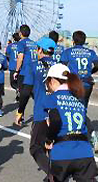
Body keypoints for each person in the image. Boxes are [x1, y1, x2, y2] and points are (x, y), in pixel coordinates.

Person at [44, 63, 98, 182]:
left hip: (62, 153)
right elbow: (87, 123)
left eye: (47, 83)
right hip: (84, 152)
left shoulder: (52, 98)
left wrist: (48, 140)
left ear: (52, 81)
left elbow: (55, 120)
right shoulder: (78, 99)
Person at [60, 30, 98, 152]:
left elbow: (61, 67)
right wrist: (89, 73)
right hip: (88, 83)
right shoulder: (90, 52)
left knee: (72, 109)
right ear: (84, 41)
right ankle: (82, 134)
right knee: (82, 109)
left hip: (75, 83)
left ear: (73, 40)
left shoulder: (68, 52)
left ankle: (90, 133)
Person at [29, 37, 57, 177]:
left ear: (40, 49)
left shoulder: (34, 66)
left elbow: (26, 89)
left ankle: (53, 175)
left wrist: (20, 110)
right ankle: (52, 175)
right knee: (52, 145)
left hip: (41, 112)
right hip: (58, 112)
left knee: (35, 148)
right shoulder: (60, 66)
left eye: (37, 49)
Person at [14, 24, 38, 126]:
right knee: (35, 95)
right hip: (35, 71)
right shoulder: (34, 43)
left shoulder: (21, 43)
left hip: (25, 72)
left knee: (23, 95)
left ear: (20, 33)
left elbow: (20, 57)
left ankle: (20, 115)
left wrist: (16, 70)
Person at [5, 33, 20, 100]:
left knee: (13, 83)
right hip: (20, 66)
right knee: (20, 81)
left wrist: (10, 60)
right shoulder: (22, 45)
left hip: (13, 66)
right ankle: (19, 92)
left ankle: (17, 89)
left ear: (13, 39)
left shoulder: (10, 46)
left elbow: (7, 55)